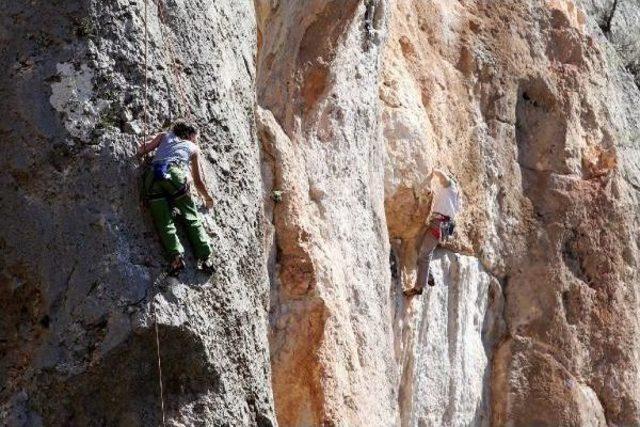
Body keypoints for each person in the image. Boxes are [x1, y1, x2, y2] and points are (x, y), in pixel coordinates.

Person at [137, 120, 215, 275]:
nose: (196, 140)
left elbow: (142, 150)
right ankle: (205, 258)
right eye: (196, 137)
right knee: (190, 216)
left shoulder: (164, 135)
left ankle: (176, 257)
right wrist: (207, 198)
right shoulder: (193, 148)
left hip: (153, 177)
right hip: (175, 175)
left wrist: (144, 144)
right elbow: (198, 181)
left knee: (163, 221)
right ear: (190, 135)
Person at [403, 169, 462, 297]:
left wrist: (433, 171)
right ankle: (428, 276)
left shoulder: (450, 186)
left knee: (424, 253)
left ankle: (419, 287)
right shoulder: (455, 196)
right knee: (420, 246)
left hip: (438, 223)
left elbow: (443, 177)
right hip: (443, 225)